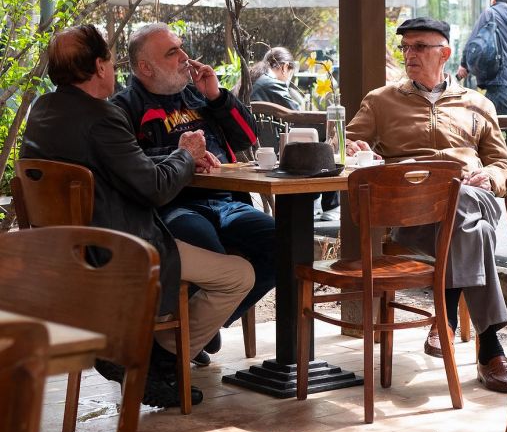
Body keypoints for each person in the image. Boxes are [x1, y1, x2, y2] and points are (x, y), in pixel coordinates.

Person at [21, 24, 253, 408]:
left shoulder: (44, 110)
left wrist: (178, 156)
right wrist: (184, 154)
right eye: (111, 62)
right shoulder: (103, 117)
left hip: (67, 252)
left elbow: (122, 163)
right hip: (121, 250)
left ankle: (147, 355)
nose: (114, 69)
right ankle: (157, 358)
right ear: (99, 67)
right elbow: (154, 188)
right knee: (238, 274)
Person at [345, 17, 507, 393]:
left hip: (474, 196)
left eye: (420, 46)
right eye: (405, 47)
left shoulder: (478, 104)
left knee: (463, 199)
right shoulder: (380, 101)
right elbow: (344, 144)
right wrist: (352, 147)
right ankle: (488, 345)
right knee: (477, 231)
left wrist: (490, 176)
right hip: (412, 211)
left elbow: (504, 165)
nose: (410, 54)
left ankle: (446, 319)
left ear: (445, 53)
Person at [111, 22, 276, 367]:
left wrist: (217, 96)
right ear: (145, 68)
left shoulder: (199, 95)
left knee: (284, 243)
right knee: (205, 244)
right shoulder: (125, 107)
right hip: (175, 207)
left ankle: (203, 324)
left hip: (227, 202)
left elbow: (248, 138)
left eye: (182, 47)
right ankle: (192, 333)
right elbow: (130, 166)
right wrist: (183, 157)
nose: (185, 57)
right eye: (172, 52)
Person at [247, 46, 339, 220]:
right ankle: (330, 204)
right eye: (290, 72)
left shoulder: (254, 81)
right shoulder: (271, 83)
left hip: (258, 146)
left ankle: (313, 199)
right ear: (285, 67)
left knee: (315, 138)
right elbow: (297, 114)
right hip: (281, 148)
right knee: (326, 140)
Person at [456, 0, 507, 115]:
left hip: (495, 70)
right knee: (488, 111)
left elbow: (474, 41)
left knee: (502, 112)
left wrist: (464, 64)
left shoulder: (490, 13)